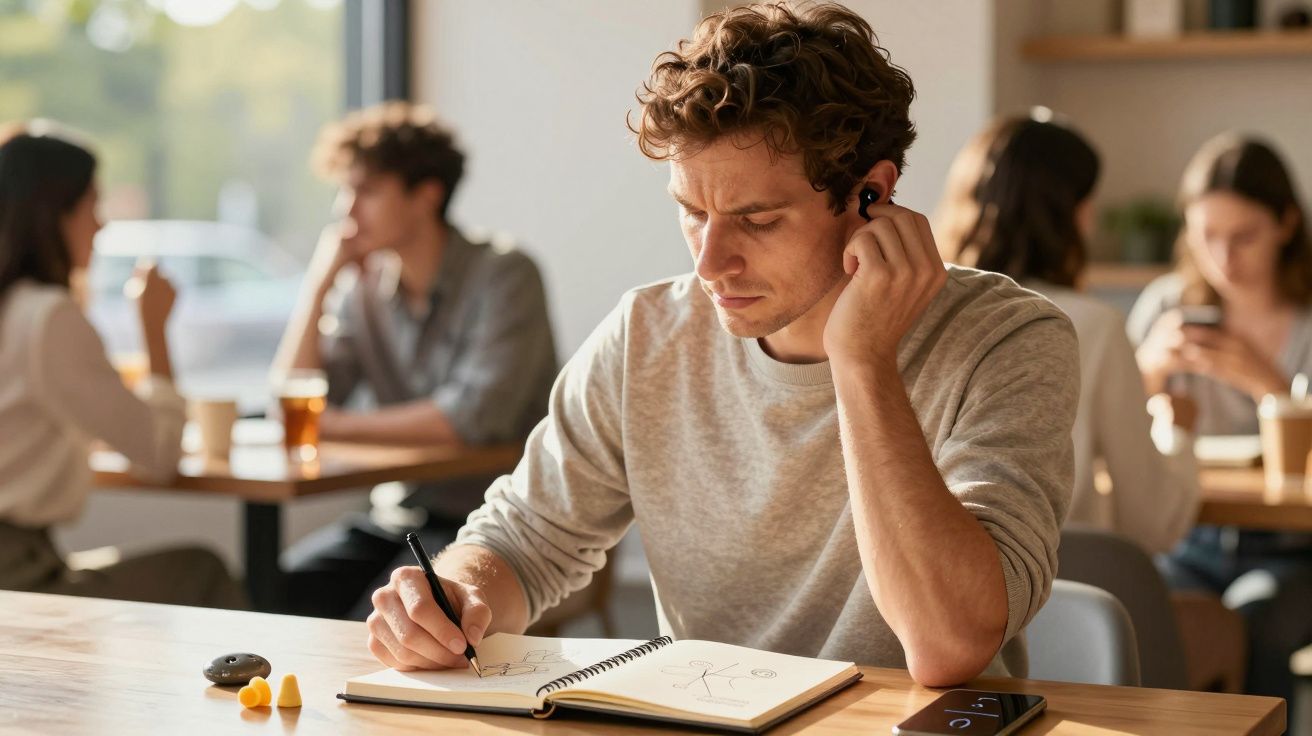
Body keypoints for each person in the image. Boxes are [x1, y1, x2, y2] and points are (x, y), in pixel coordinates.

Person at [363, 2, 1079, 686]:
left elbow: (948, 644)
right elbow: (522, 539)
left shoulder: (1006, 340)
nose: (709, 263)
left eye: (757, 220)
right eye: (691, 212)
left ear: (872, 194)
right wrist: (454, 597)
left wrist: (862, 360)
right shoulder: (646, 334)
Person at [273, 102, 558, 620]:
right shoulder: (363, 292)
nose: (345, 210)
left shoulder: (505, 274)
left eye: (365, 191)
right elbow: (294, 400)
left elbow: (470, 418)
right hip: (397, 517)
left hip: (493, 526)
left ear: (427, 195)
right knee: (281, 594)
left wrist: (333, 425)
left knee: (379, 621)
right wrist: (318, 285)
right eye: (344, 191)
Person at [0, 122, 244, 608]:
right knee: (201, 571)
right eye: (93, 206)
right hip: (19, 579)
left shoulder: (15, 308)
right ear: (54, 214)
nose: (101, 226)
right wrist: (154, 329)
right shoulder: (48, 317)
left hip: (26, 565)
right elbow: (160, 455)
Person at [936, 113, 1200, 555]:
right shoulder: (1089, 323)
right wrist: (1179, 433)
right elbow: (1152, 522)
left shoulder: (923, 315)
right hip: (1062, 587)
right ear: (1069, 214)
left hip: (933, 577)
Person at [1129, 133, 1312, 701]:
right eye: (1207, 236)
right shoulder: (1166, 305)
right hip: (1189, 537)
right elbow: (1113, 429)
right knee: (1143, 619)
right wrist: (1147, 371)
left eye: (1244, 237)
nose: (1225, 258)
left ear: (1286, 223)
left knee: (1257, 624)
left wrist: (1267, 384)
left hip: (1293, 546)